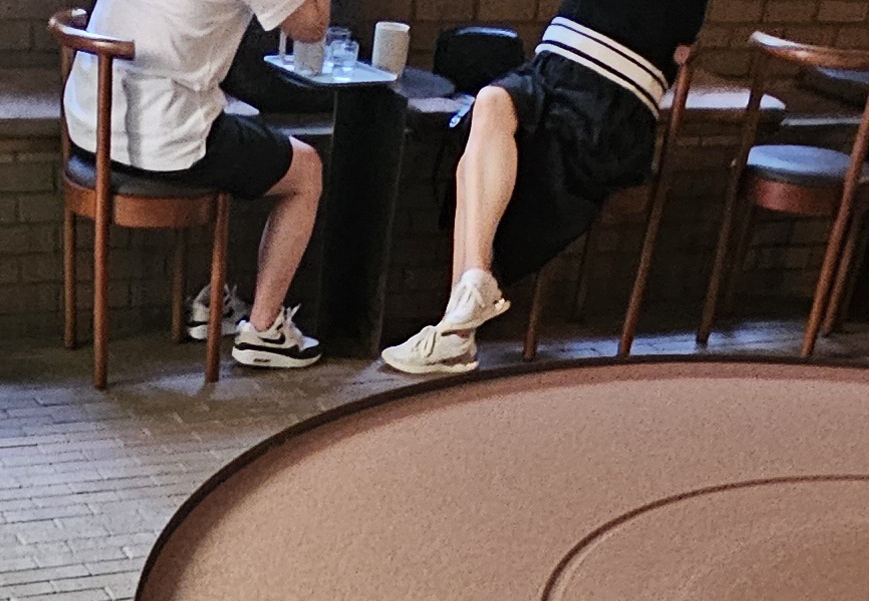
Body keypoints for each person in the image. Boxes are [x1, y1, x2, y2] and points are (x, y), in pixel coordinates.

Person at [380, 0, 707, 374]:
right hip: (548, 73)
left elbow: (682, 52)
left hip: (609, 102)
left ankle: (456, 335)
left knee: (488, 157)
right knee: (490, 101)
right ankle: (473, 289)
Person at [65, 0, 332, 367]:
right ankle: (264, 330)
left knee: (237, 124)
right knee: (306, 169)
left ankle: (215, 305)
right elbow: (312, 28)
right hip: (162, 138)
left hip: (90, 125)